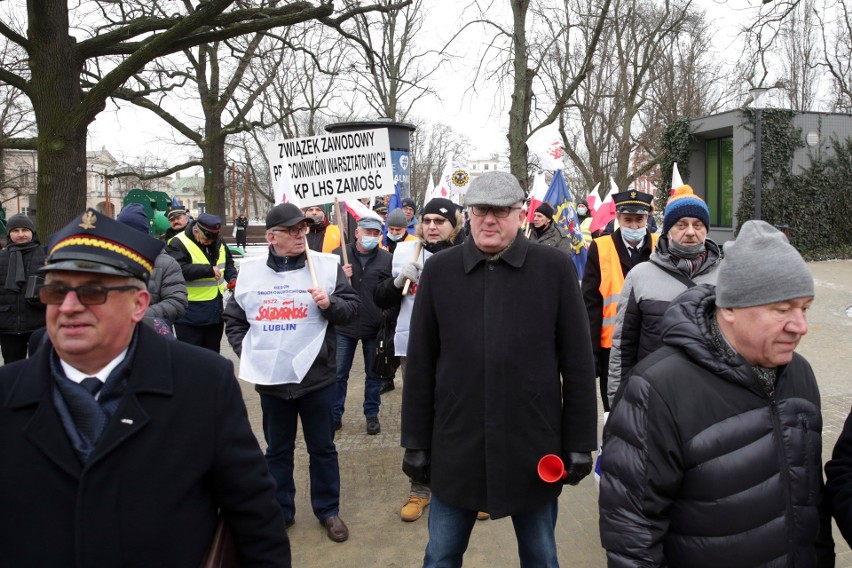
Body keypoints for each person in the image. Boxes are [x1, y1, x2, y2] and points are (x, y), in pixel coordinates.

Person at [0, 208, 291, 566]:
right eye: (56, 290)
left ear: (139, 304)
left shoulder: (203, 384)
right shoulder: (7, 394)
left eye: (92, 292)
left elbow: (254, 516)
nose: (69, 307)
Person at [599, 219, 834, 567]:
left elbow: (812, 503)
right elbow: (632, 537)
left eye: (805, 308)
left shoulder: (799, 373)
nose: (800, 326)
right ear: (730, 309)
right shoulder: (657, 391)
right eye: (782, 309)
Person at [401, 172, 597, 566]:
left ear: (520, 214)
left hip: (531, 443)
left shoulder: (554, 268)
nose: (489, 220)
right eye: (480, 211)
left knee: (541, 555)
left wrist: (579, 441)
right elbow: (421, 364)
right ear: (468, 215)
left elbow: (577, 362)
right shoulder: (441, 271)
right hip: (457, 443)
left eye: (500, 211)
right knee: (440, 554)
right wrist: (416, 442)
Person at [223, 203, 359, 543]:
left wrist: (331, 304)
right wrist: (250, 354)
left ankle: (328, 510)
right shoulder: (251, 272)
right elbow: (235, 319)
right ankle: (281, 511)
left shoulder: (325, 267)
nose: (301, 235)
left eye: (303, 229)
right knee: (277, 450)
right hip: (272, 382)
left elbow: (351, 309)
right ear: (272, 237)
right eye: (292, 231)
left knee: (322, 448)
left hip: (317, 379)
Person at [374, 197, 465, 522]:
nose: (431, 227)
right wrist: (398, 281)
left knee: (461, 416)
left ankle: (467, 486)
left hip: (459, 352)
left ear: (455, 224)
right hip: (415, 348)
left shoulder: (468, 255)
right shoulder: (404, 252)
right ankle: (420, 489)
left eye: (439, 222)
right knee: (420, 415)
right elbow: (380, 297)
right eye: (426, 221)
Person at [607, 186, 721, 407]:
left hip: (711, 400)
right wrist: (618, 402)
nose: (690, 231)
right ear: (668, 229)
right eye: (681, 225)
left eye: (698, 225)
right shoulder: (640, 276)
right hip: (655, 399)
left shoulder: (728, 276)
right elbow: (623, 347)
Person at [581, 190, 656, 413]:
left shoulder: (661, 244)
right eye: (628, 219)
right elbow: (591, 304)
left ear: (647, 219)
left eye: (639, 219)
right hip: (611, 348)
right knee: (614, 409)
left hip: (651, 343)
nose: (634, 226)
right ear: (618, 219)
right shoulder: (601, 247)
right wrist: (591, 351)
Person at [331, 216, 393, 435]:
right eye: (367, 232)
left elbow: (390, 292)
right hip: (344, 325)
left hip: (373, 326)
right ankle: (335, 414)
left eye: (376, 233)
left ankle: (371, 415)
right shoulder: (338, 256)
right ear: (357, 233)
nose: (372, 237)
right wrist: (339, 276)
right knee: (338, 374)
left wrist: (385, 316)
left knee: (373, 374)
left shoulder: (387, 259)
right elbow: (325, 289)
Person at [166, 213, 236, 352]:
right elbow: (178, 269)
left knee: (212, 357)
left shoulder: (218, 241)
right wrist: (208, 270)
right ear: (196, 231)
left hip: (214, 311)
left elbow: (228, 264)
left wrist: (233, 278)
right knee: (191, 359)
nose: (209, 242)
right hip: (189, 313)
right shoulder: (178, 242)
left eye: (212, 240)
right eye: (205, 239)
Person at [117, 204, 188, 330]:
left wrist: (139, 316)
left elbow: (177, 302)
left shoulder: (166, 263)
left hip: (152, 335)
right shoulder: (110, 259)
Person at [0, 213, 45, 362]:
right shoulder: (2, 258)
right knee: (13, 373)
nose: (21, 234)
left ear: (32, 232)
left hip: (39, 324)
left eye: (25, 230)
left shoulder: (45, 256)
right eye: (15, 230)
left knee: (40, 370)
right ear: (9, 234)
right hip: (8, 327)